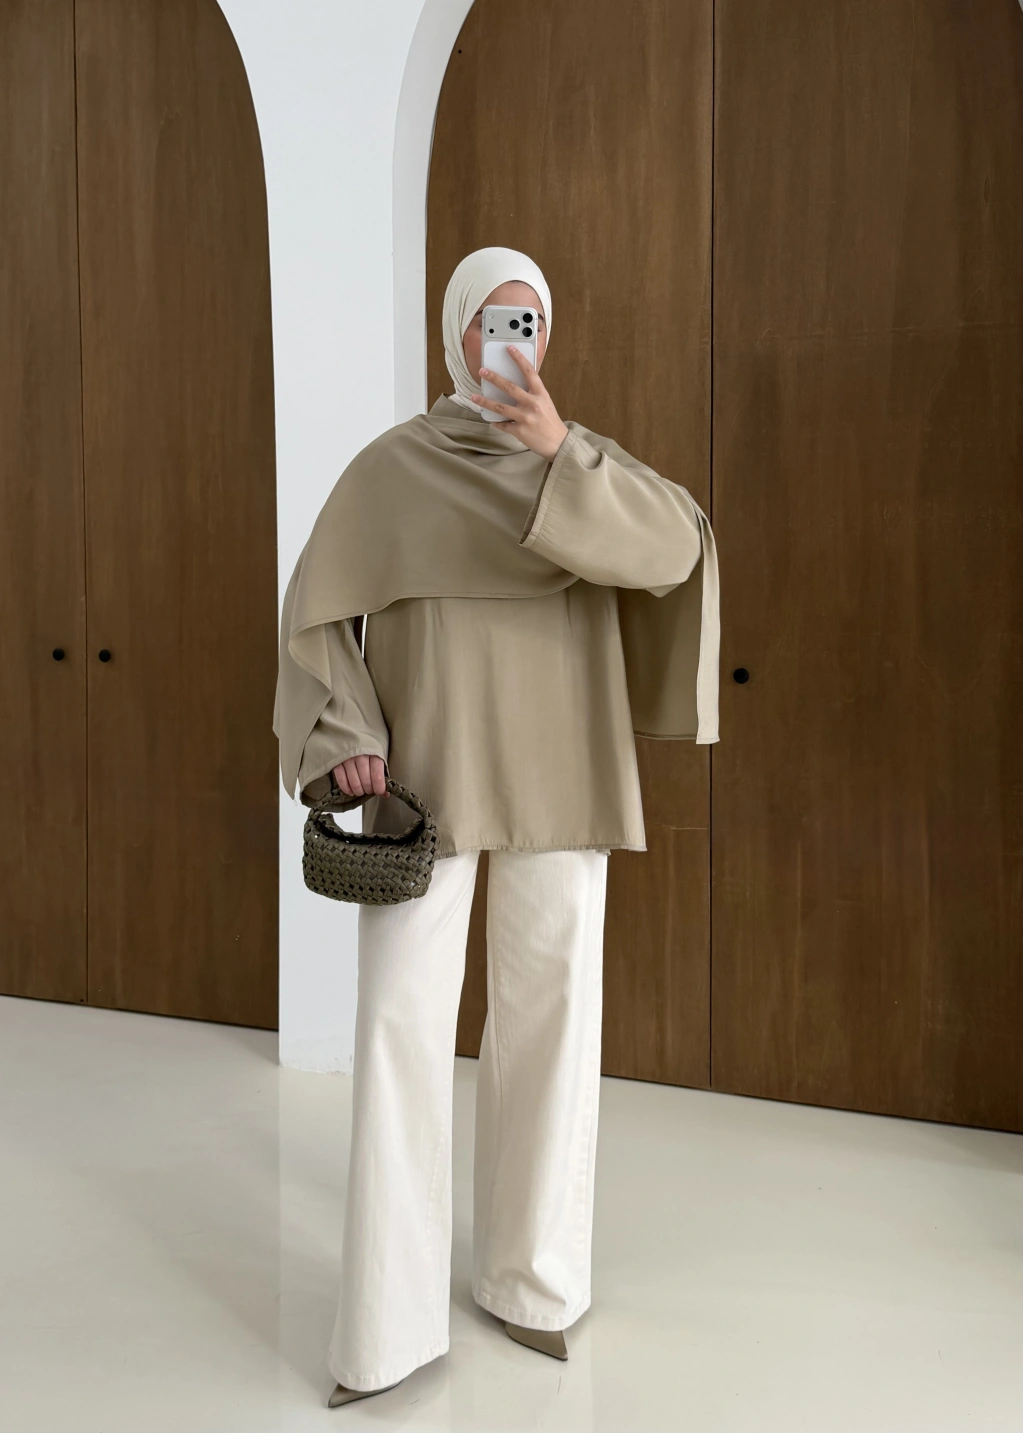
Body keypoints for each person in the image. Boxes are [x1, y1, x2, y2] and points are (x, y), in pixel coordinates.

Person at [272, 247, 720, 1407]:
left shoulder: (583, 462)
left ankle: (532, 1282)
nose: (510, 342)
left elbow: (677, 548)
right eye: (492, 320)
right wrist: (344, 734)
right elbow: (315, 615)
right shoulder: (390, 471)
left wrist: (558, 449)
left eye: (530, 322)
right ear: (455, 330)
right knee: (398, 1028)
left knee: (552, 1024)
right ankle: (386, 1325)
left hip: (562, 774)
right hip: (430, 781)